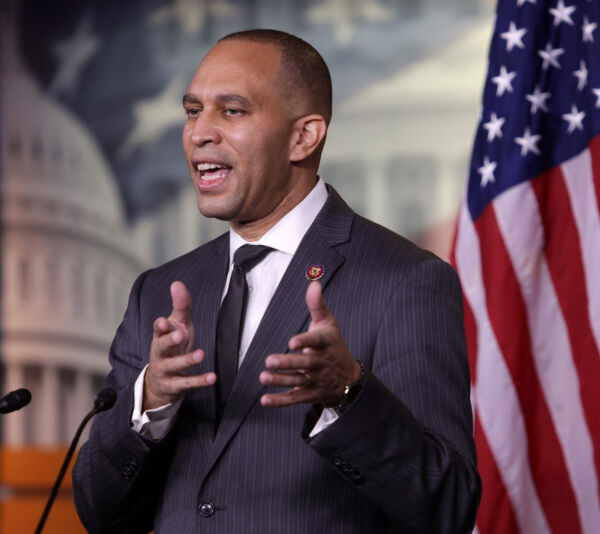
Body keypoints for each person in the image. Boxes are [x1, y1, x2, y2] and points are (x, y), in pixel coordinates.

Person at [72, 29, 480, 533]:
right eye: (193, 109)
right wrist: (150, 404)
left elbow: (448, 507)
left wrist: (348, 394)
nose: (199, 132)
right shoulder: (159, 291)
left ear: (303, 136)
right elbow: (99, 511)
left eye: (232, 111)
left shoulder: (405, 281)